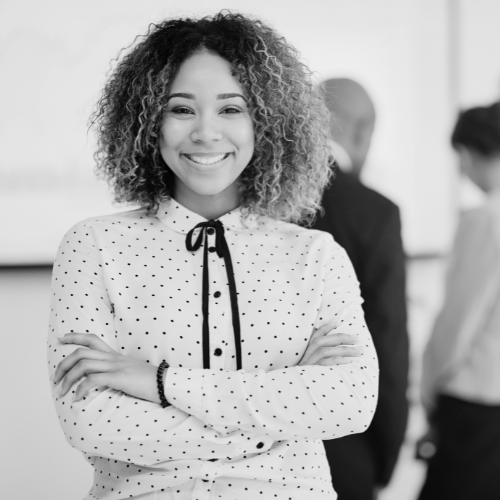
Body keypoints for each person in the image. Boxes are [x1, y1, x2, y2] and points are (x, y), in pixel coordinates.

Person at [47, 13, 379, 500]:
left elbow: (350, 403)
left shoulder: (315, 255)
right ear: (146, 122)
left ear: (265, 121)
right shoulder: (94, 246)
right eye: (181, 109)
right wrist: (281, 414)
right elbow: (92, 425)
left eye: (231, 109)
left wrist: (157, 383)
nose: (205, 132)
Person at [310, 78, 409, 499]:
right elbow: (387, 340)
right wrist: (388, 450)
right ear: (362, 130)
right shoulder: (375, 213)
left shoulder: (252, 199)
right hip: (346, 443)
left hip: (247, 446)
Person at [418, 102, 500, 500]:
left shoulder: (486, 219)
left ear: (467, 153)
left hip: (475, 404)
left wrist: (429, 393)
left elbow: (458, 323)